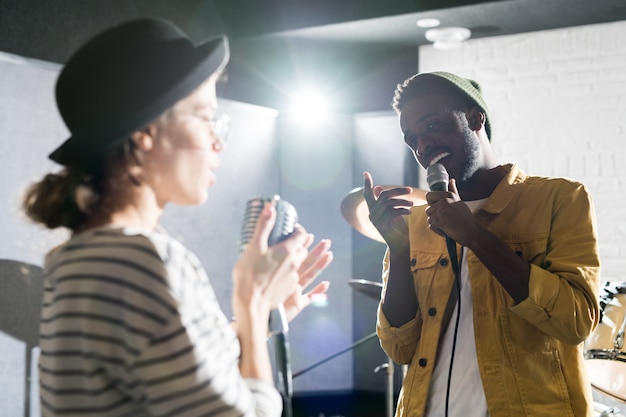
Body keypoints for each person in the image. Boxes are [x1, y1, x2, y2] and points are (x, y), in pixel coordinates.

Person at [22, 18, 333, 417]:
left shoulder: (79, 257)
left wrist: (263, 317)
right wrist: (253, 302)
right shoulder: (143, 261)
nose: (218, 141)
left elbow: (165, 373)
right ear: (146, 134)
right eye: (205, 119)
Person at [363, 71, 600, 417]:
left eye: (432, 126)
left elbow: (576, 320)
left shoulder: (560, 198)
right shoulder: (417, 223)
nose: (422, 146)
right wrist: (399, 250)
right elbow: (399, 347)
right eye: (411, 139)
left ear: (476, 118)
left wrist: (474, 236)